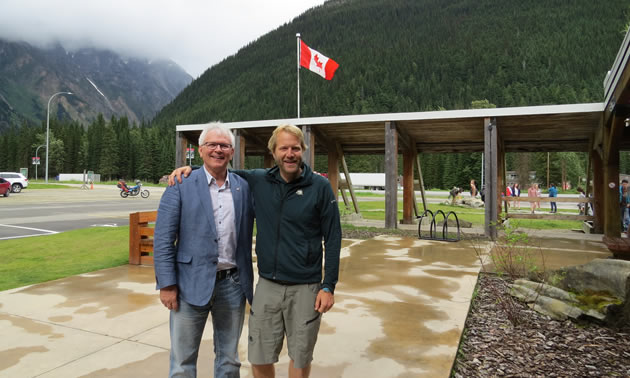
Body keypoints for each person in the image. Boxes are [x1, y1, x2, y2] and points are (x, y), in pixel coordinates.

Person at [170, 124, 342, 378]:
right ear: (274, 151)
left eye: (295, 148)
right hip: (268, 285)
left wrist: (328, 286)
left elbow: (334, 237)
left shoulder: (319, 186)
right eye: (284, 148)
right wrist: (192, 169)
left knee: (300, 354)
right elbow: (220, 169)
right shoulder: (259, 180)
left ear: (303, 150)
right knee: (259, 355)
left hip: (306, 287)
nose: (290, 154)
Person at [154, 123, 255, 377]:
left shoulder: (244, 188)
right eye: (212, 144)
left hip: (232, 285)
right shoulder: (179, 184)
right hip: (188, 285)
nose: (218, 150)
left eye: (224, 146)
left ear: (232, 152)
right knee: (182, 362)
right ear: (200, 150)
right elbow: (164, 239)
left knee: (230, 361)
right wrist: (167, 284)